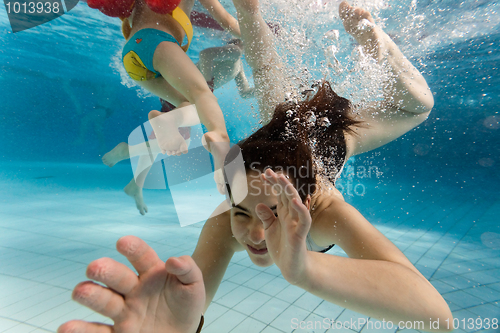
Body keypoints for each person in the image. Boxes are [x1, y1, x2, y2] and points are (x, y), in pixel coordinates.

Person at [58, 1, 454, 331]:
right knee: (271, 89)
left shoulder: (326, 210)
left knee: (418, 107)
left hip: (331, 138)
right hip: (285, 132)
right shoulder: (229, 211)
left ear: (308, 199)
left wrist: (304, 269)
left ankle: (378, 43)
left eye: (275, 213)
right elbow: (187, 305)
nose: (252, 231)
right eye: (242, 209)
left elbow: (439, 317)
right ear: (228, 190)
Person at [99, 0, 243, 192]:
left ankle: (170, 122)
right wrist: (252, 35)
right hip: (159, 42)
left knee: (190, 105)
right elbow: (228, 23)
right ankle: (219, 139)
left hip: (132, 55)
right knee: (203, 96)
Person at [102, 41, 255, 215]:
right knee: (178, 139)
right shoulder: (235, 51)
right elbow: (206, 54)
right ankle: (127, 153)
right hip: (188, 93)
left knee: (166, 137)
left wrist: (260, 89)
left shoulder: (238, 64)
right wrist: (206, 88)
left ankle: (135, 183)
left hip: (182, 93)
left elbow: (244, 92)